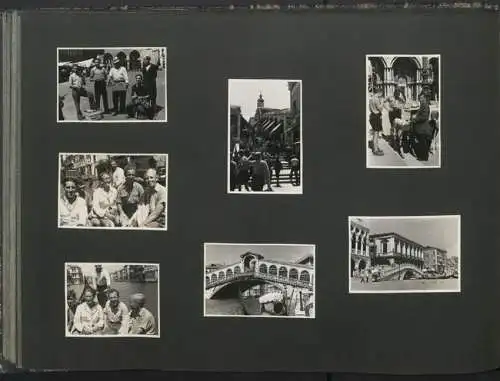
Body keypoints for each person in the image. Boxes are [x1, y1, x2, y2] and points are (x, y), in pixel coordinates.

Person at [412, 93, 433, 161]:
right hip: (421, 127)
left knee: (422, 143)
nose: (420, 100)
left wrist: (415, 118)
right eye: (419, 98)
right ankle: (423, 156)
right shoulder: (423, 105)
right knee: (422, 143)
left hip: (422, 128)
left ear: (424, 98)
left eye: (421, 98)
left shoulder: (425, 105)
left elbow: (424, 117)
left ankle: (423, 157)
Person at [369, 87, 384, 156]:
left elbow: (370, 108)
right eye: (381, 94)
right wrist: (382, 102)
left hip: (372, 116)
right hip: (376, 117)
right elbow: (380, 108)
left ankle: (376, 147)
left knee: (375, 133)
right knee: (376, 134)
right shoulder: (376, 99)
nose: (381, 95)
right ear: (379, 92)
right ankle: (375, 150)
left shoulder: (371, 98)